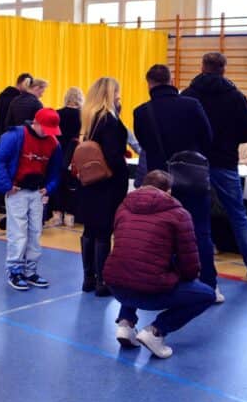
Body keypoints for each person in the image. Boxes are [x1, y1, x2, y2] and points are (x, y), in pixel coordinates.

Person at [104, 170, 216, 359]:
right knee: (207, 295)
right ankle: (156, 331)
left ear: (142, 186)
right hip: (150, 291)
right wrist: (182, 277)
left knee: (131, 265)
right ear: (169, 191)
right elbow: (190, 264)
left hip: (115, 286)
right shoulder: (179, 214)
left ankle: (125, 323)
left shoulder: (123, 207)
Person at [133, 64, 221, 302]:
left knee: (160, 234)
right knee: (200, 232)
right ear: (171, 80)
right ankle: (210, 286)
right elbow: (208, 138)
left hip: (160, 182)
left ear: (149, 83)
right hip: (192, 177)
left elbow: (145, 145)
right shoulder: (192, 105)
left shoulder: (141, 112)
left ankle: (163, 282)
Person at [182, 52, 247, 285]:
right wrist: (228, 138)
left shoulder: (189, 95)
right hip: (226, 162)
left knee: (194, 215)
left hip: (195, 163)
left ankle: (196, 265)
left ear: (202, 67)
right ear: (223, 69)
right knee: (238, 215)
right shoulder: (236, 97)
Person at [0, 107, 63, 291]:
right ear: (36, 123)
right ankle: (15, 271)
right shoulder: (15, 136)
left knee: (35, 233)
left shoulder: (53, 143)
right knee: (18, 232)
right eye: (45, 128)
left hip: (37, 193)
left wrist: (48, 189)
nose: (48, 133)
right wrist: (7, 185)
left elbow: (56, 171)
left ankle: (30, 271)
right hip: (17, 192)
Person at [75, 77, 129, 297]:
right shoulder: (109, 120)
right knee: (104, 231)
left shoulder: (90, 118)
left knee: (90, 230)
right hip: (108, 183)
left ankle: (88, 278)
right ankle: (102, 280)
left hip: (90, 182)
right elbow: (113, 155)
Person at [0, 72, 33, 216]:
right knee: (8, 170)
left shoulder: (2, 96)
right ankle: (1, 200)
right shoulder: (18, 100)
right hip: (12, 138)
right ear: (24, 83)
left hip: (2, 135)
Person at [50, 86, 83, 227]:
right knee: (73, 185)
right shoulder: (83, 116)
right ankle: (70, 215)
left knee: (58, 183)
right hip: (75, 154)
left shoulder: (57, 114)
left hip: (58, 152)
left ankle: (57, 214)